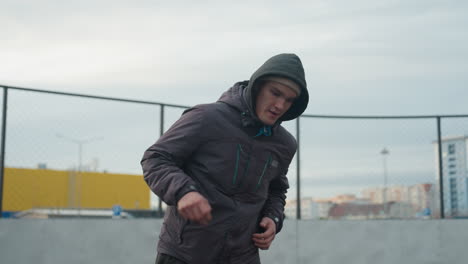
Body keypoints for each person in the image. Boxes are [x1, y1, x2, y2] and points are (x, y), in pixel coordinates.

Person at [141, 53, 309, 264]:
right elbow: (155, 158)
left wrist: (273, 218)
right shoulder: (206, 117)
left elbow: (276, 189)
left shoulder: (285, 144)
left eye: (289, 100)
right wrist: (184, 192)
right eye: (275, 93)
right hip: (186, 253)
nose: (280, 105)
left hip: (243, 256)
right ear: (257, 87)